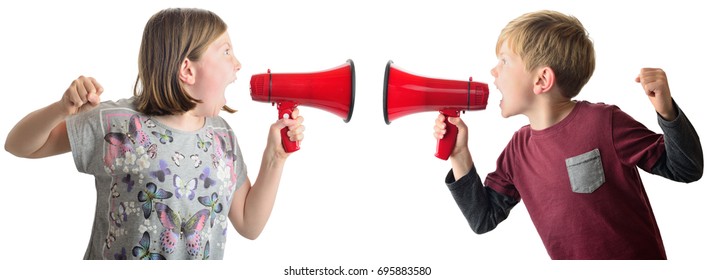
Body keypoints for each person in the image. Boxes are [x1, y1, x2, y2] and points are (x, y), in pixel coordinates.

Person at [4, 8, 305, 260]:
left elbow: (249, 224)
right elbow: (18, 145)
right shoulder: (115, 122)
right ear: (187, 70)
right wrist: (61, 108)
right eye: (226, 51)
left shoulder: (222, 136)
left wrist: (275, 158)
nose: (238, 64)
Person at [434, 10, 703, 259]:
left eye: (504, 61)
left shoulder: (603, 122)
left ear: (542, 80)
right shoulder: (517, 150)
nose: (494, 71)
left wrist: (667, 112)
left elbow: (686, 169)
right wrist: (459, 155)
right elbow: (483, 219)